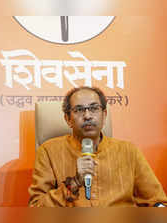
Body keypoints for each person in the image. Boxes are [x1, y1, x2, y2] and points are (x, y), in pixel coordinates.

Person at [29, 86, 167, 207]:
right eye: (79, 110)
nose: (88, 115)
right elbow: (37, 208)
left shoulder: (129, 151)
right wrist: (75, 182)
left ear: (104, 115)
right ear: (68, 119)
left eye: (94, 108)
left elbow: (156, 201)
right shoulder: (48, 151)